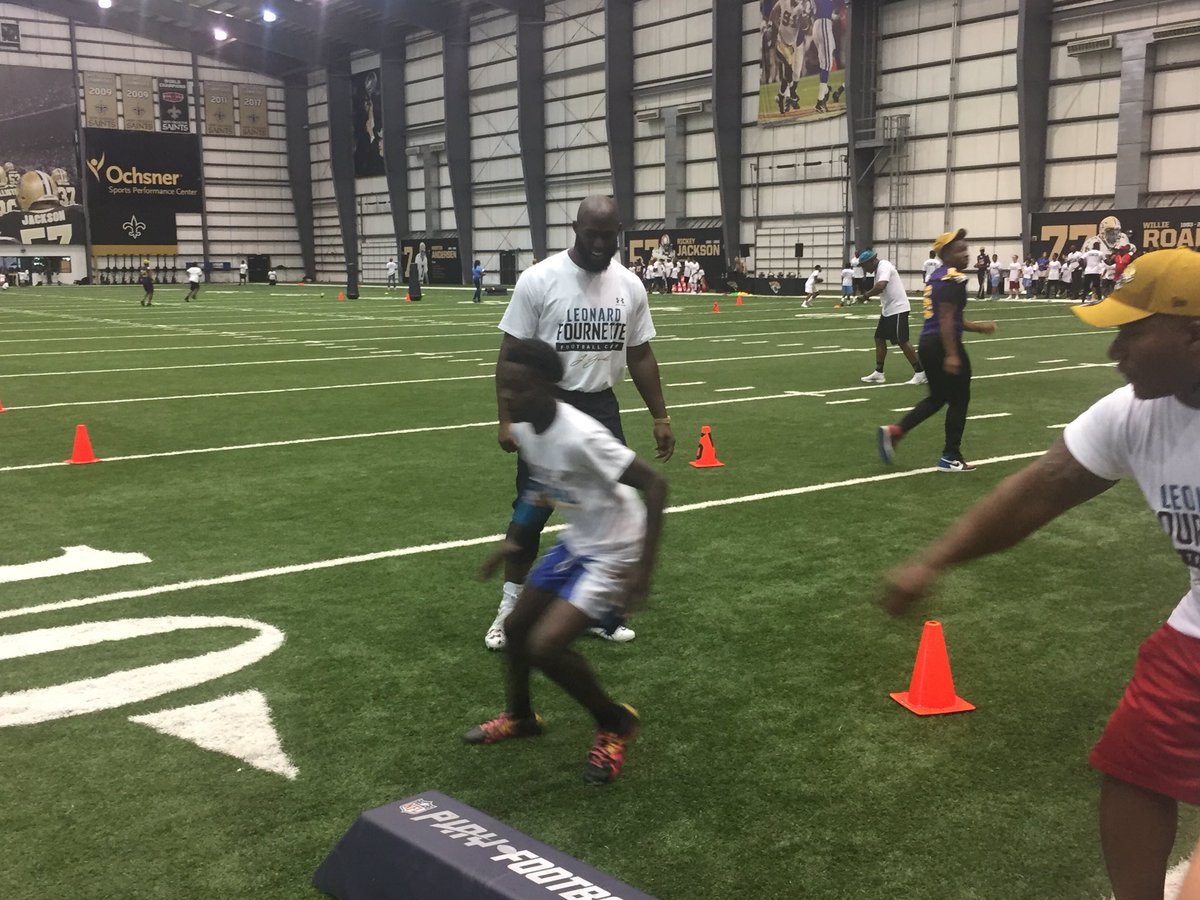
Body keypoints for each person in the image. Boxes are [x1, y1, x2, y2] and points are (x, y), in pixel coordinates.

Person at [880, 247, 1200, 900]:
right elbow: (1039, 490)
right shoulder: (1134, 413)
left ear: (1192, 332)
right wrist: (932, 561)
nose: (1116, 354)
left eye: (1132, 333)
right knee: (1134, 767)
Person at [466, 338, 667, 786]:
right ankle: (521, 718)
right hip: (582, 538)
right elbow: (547, 487)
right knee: (517, 628)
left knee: (546, 646)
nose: (507, 397)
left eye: (517, 389)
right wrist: (513, 543)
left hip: (618, 548)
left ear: (548, 387)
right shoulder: (530, 430)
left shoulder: (583, 435)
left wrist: (643, 574)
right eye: (504, 388)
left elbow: (655, 486)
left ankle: (615, 722)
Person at [484, 195, 675, 651]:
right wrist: (506, 418)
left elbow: (641, 353)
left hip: (601, 407)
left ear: (619, 233)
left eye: (609, 235)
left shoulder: (630, 284)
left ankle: (597, 611)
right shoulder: (539, 280)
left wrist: (660, 414)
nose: (599, 242)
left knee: (609, 510)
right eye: (591, 233)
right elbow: (510, 356)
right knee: (530, 511)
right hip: (547, 407)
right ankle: (509, 609)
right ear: (575, 227)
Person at [876, 228, 996, 472]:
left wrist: (977, 328)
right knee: (959, 400)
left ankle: (896, 431)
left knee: (938, 397)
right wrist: (952, 353)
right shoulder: (955, 278)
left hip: (929, 342)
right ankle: (950, 456)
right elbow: (946, 317)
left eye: (966, 248)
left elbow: (949, 317)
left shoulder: (937, 277)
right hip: (944, 343)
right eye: (959, 249)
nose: (966, 253)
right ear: (945, 254)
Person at [856, 249, 926, 385]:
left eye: (864, 265)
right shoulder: (878, 270)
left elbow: (881, 286)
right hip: (888, 310)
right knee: (879, 338)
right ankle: (879, 372)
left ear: (872, 261)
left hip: (898, 308)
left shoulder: (884, 266)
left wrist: (865, 296)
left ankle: (920, 372)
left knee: (902, 341)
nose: (864, 269)